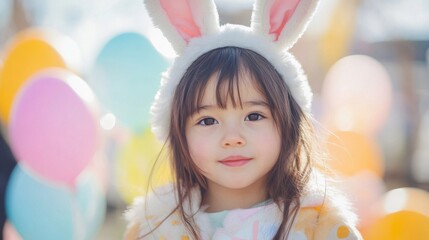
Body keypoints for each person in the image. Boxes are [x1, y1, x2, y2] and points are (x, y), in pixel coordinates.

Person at [125, 0, 363, 239]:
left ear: (287, 124)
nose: (232, 138)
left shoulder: (323, 228)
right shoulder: (153, 230)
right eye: (208, 121)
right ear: (178, 132)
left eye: (254, 116)